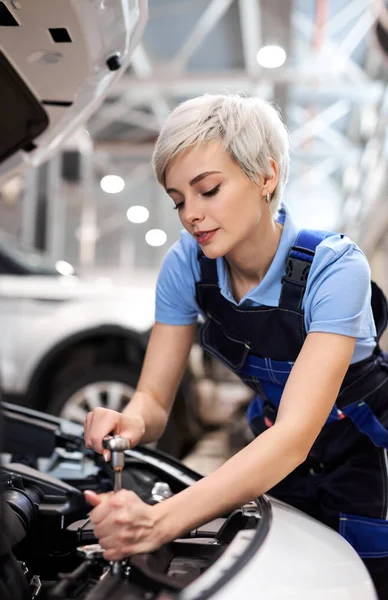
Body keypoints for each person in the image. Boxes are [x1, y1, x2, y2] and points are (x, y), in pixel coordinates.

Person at [83, 94, 388, 598]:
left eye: (208, 190)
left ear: (266, 176)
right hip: (275, 452)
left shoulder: (334, 268)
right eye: (179, 200)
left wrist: (161, 522)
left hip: (365, 455)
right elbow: (155, 400)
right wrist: (130, 421)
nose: (191, 216)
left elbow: (294, 434)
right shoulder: (187, 268)